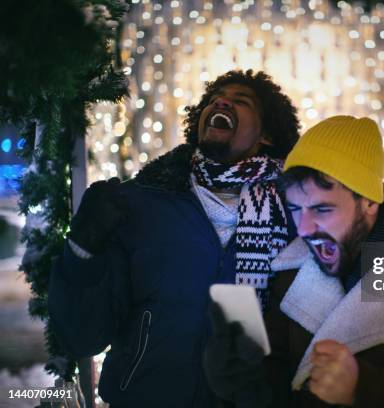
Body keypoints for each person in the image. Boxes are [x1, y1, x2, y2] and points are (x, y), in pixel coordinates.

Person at [204, 115, 384, 407]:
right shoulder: (291, 268)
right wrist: (243, 380)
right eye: (295, 208)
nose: (304, 228)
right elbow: (282, 379)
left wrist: (362, 388)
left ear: (369, 201)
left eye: (322, 209)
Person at [48, 69, 301, 407]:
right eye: (213, 100)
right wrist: (81, 251)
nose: (221, 102)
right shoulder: (141, 204)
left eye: (240, 101)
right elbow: (80, 337)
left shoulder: (297, 212)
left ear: (267, 134)